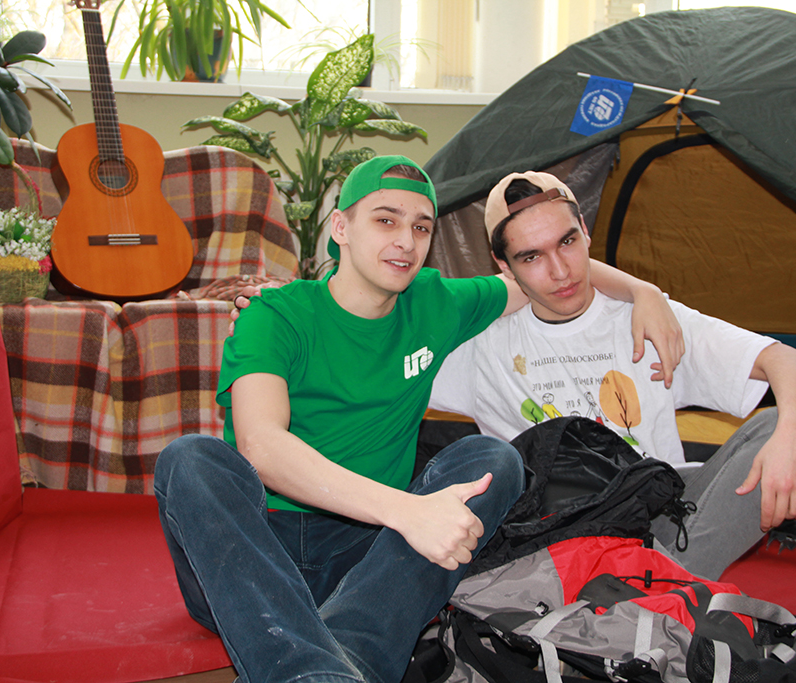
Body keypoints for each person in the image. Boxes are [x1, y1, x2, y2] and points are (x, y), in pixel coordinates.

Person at [160, 155, 683, 683]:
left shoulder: (435, 302)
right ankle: (319, 666)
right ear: (340, 227)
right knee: (190, 459)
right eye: (385, 220)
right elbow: (261, 446)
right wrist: (407, 511)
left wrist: (645, 292)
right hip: (253, 554)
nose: (405, 241)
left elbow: (544, 274)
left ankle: (338, 661)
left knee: (493, 459)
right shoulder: (275, 315)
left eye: (420, 227)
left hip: (369, 559)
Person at [429, 171, 796, 581]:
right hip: (553, 545)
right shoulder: (480, 344)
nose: (561, 271)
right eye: (532, 257)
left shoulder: (648, 319)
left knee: (775, 425)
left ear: (585, 231)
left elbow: (791, 363)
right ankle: (662, 591)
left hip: (658, 522)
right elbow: (389, 351)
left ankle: (652, 589)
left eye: (567, 242)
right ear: (504, 266)